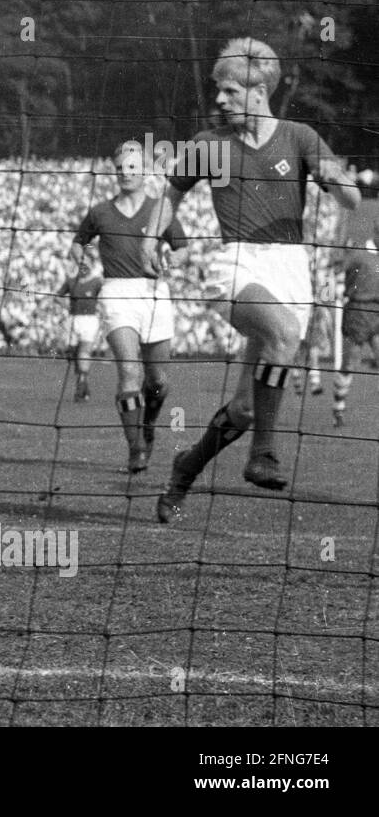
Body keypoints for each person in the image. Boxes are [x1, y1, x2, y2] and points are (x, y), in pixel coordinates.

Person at [149, 38, 360, 523]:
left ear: (259, 89)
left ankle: (186, 466)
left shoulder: (300, 137)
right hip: (236, 265)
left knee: (244, 409)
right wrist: (148, 238)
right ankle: (263, 453)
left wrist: (339, 183)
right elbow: (171, 195)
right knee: (283, 333)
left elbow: (347, 198)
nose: (219, 100)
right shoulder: (209, 145)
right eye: (218, 92)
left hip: (291, 271)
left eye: (229, 92)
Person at [72, 142, 188, 471]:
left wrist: (171, 259)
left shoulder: (158, 209)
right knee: (129, 371)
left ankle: (147, 427)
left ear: (145, 171)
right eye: (120, 168)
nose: (125, 173)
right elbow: (78, 243)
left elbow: (183, 249)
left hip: (153, 293)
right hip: (116, 292)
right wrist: (79, 260)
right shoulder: (100, 212)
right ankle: (135, 447)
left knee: (158, 380)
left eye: (132, 168)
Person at [331, 239, 379, 427]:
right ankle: (338, 408)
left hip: (377, 311)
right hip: (358, 310)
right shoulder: (357, 253)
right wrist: (326, 295)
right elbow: (333, 269)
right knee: (349, 362)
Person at [55, 250, 103, 402]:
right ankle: (83, 382)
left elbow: (105, 297)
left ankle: (81, 381)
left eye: (86, 263)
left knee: (84, 351)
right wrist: (66, 306)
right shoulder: (71, 281)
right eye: (81, 264)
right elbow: (58, 297)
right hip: (73, 319)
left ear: (91, 264)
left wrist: (101, 310)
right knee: (74, 353)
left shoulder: (97, 282)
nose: (83, 267)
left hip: (89, 320)